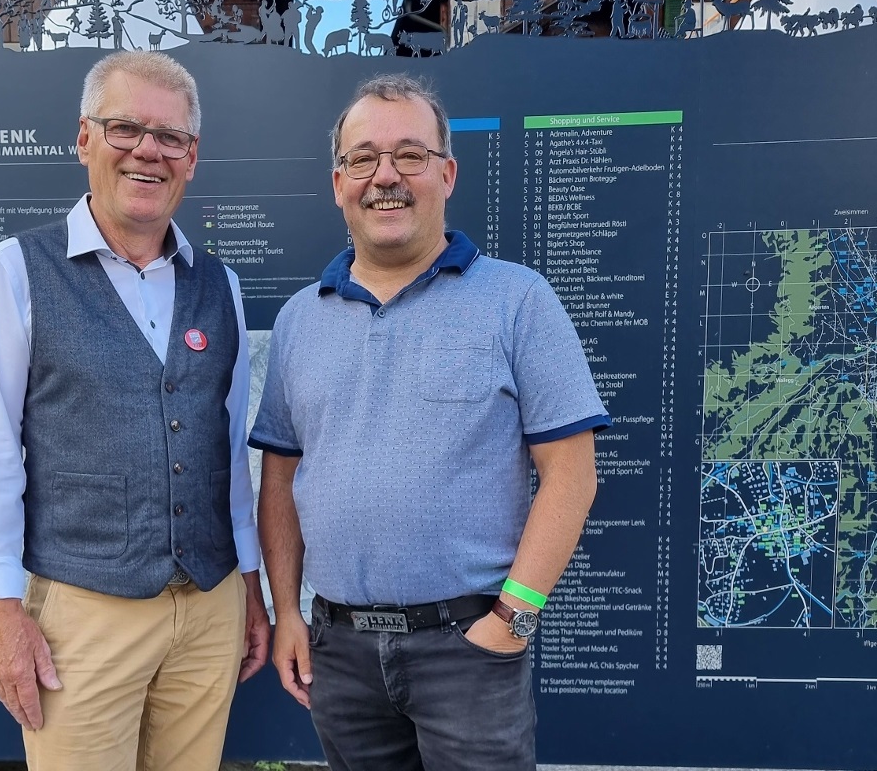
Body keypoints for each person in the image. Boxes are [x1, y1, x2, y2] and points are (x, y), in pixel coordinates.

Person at [250, 74, 611, 771]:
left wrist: (513, 620)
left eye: (410, 155)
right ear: (338, 183)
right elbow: (281, 479)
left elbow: (572, 474)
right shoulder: (300, 319)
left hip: (468, 648)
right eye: (364, 159)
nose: (386, 176)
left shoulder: (517, 300)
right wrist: (289, 614)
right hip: (341, 653)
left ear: (446, 173)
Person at [0, 50, 270, 771]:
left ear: (192, 158)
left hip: (211, 602)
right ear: (85, 138)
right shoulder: (16, 270)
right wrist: (1, 613)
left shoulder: (219, 284)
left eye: (170, 138)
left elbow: (228, 448)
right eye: (126, 128)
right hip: (83, 612)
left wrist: (249, 587)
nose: (148, 152)